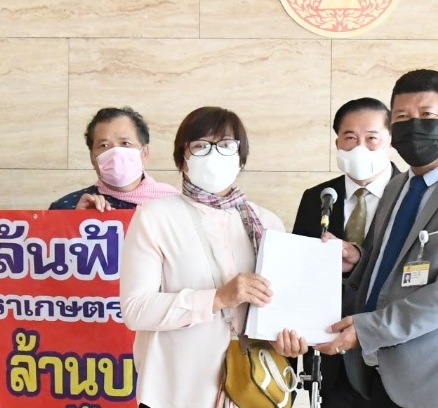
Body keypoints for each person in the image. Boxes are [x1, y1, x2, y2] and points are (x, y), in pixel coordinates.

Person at [316, 70, 438, 408]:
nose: (414, 127)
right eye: (403, 118)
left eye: (427, 115)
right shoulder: (397, 187)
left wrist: (369, 329)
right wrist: (358, 261)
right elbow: (392, 264)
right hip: (378, 378)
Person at [119, 106, 308, 408]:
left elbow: (278, 307)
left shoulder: (267, 223)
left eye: (226, 145)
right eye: (201, 146)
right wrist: (217, 298)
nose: (214, 154)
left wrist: (286, 339)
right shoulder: (155, 217)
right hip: (177, 390)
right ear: (183, 157)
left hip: (253, 388)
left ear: (241, 156)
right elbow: (136, 309)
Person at [291, 97, 400, 408]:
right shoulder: (317, 198)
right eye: (350, 137)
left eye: (371, 138)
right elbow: (299, 274)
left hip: (392, 358)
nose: (360, 147)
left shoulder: (412, 195)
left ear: (390, 141)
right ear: (337, 142)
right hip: (330, 360)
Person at [49, 106, 178, 211]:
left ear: (145, 153)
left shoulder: (173, 204)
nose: (115, 153)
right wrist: (76, 223)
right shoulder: (66, 208)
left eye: (125, 143)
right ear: (92, 157)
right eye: (104, 145)